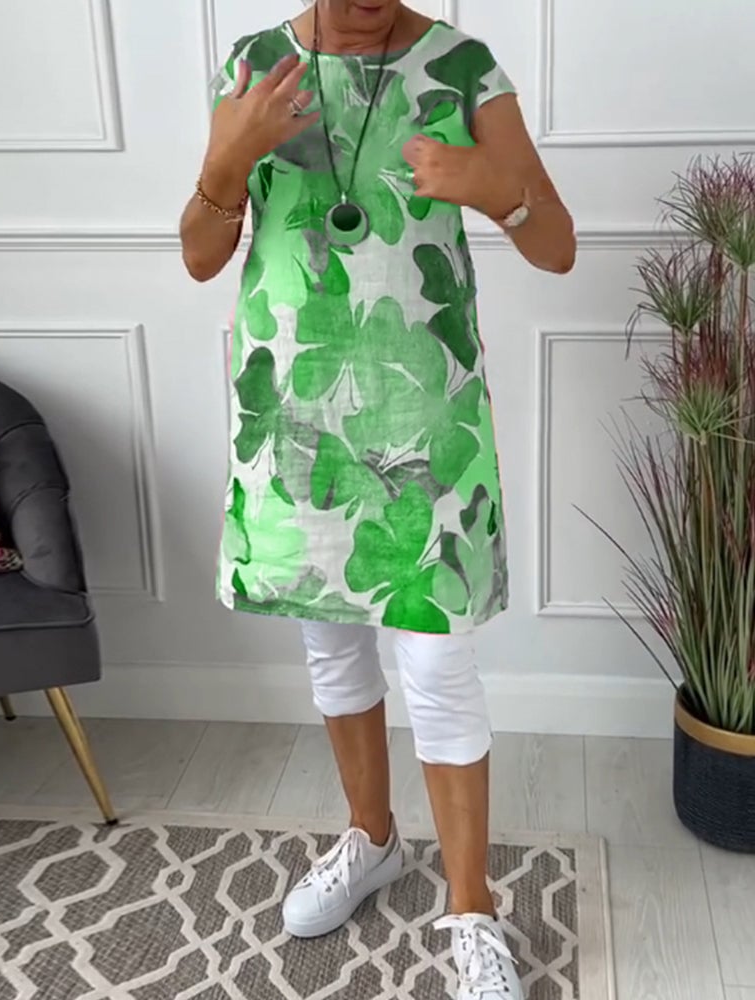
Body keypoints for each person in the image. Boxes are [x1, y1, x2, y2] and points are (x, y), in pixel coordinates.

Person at [180, 2, 575, 997]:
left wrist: (499, 193)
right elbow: (199, 254)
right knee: (332, 643)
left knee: (436, 663)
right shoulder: (256, 65)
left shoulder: (461, 67)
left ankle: (471, 907)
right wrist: (229, 160)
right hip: (296, 409)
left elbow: (558, 246)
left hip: (421, 412)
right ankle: (371, 839)